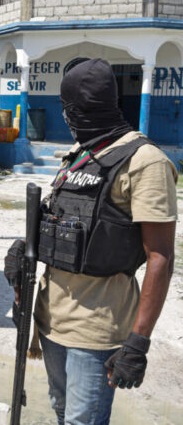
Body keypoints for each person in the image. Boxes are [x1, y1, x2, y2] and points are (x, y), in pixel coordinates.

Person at [28, 58, 177, 425]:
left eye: (68, 111)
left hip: (96, 331)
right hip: (50, 321)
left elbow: (160, 256)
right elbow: (61, 224)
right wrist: (25, 248)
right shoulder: (81, 155)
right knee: (62, 413)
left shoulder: (145, 162)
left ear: (78, 111)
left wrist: (138, 343)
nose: (66, 119)